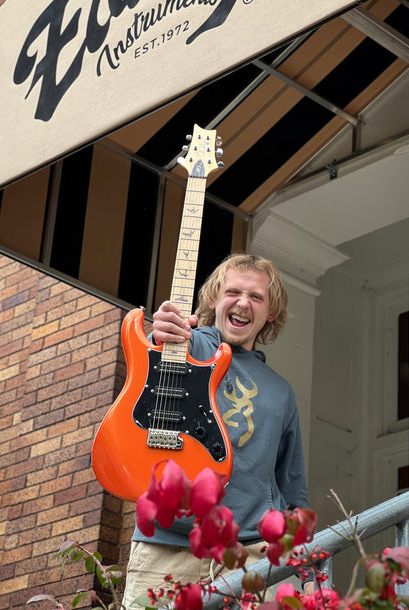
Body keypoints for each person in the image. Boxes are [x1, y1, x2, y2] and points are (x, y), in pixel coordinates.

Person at [122, 254, 313, 606]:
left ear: (270, 313)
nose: (243, 303)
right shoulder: (185, 345)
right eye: (234, 292)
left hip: (253, 555)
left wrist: (306, 568)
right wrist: (160, 333)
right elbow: (146, 385)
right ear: (214, 299)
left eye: (256, 297)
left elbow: (291, 485)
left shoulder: (281, 392)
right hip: (168, 547)